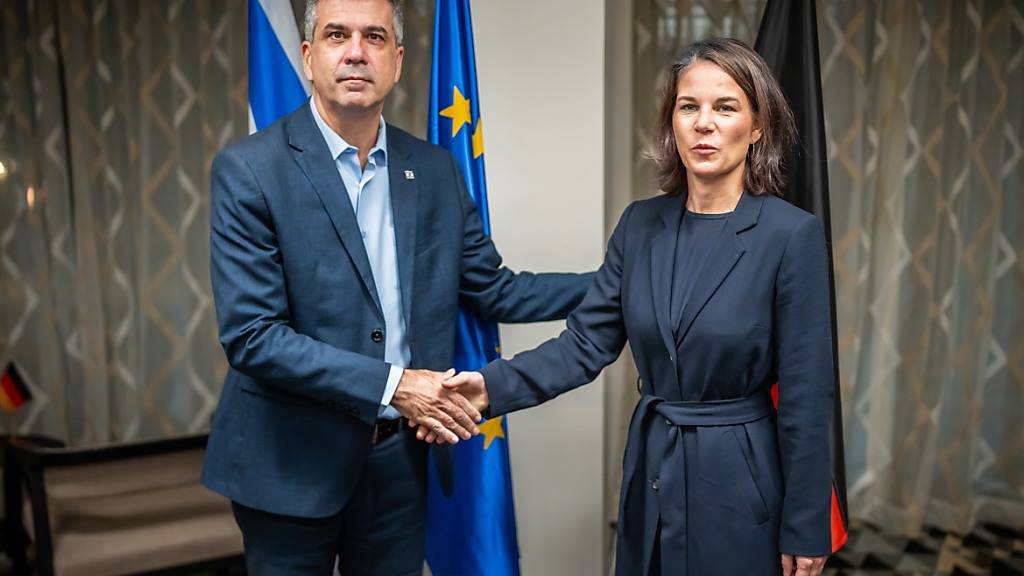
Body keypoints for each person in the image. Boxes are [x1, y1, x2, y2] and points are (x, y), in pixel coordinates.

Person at [201, 0, 592, 573]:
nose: (356, 52)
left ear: (398, 60)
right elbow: (254, 337)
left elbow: (498, 291)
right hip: (287, 463)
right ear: (309, 58)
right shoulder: (250, 170)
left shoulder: (433, 169)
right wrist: (395, 385)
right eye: (337, 36)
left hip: (398, 463)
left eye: (374, 37)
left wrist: (624, 278)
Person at [441, 38, 835, 576]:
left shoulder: (792, 236)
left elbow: (808, 399)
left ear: (758, 125)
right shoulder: (639, 225)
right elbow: (583, 346)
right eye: (688, 106)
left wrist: (806, 526)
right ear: (672, 122)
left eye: (725, 107)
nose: (703, 123)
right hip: (652, 469)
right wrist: (487, 387)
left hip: (741, 487)